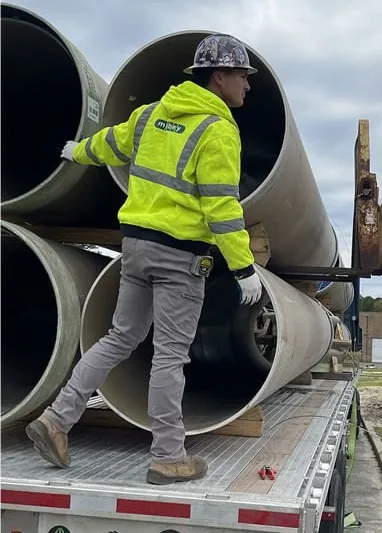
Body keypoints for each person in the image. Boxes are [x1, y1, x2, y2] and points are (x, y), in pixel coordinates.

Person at [25, 33, 263, 485]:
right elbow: (221, 207)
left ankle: (56, 419)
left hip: (135, 248)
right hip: (180, 257)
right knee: (170, 356)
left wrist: (78, 151)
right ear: (219, 77)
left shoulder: (153, 114)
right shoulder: (217, 130)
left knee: (120, 337)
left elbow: (111, 144)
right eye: (241, 76)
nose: (247, 85)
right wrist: (243, 268)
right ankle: (169, 456)